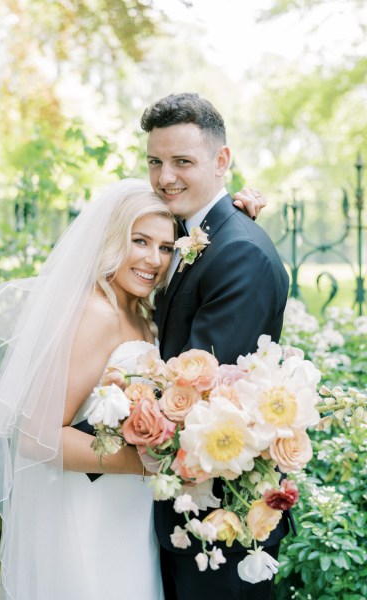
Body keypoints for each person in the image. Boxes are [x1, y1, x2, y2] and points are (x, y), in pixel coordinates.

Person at [0, 179, 176, 600]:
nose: (154, 259)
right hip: (91, 508)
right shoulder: (96, 313)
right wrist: (151, 463)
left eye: (167, 247)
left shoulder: (142, 315)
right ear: (113, 240)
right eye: (140, 241)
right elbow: (36, 436)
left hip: (130, 509)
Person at [140, 92, 291, 600]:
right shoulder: (197, 234)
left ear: (222, 160)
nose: (165, 177)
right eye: (155, 162)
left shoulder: (237, 253)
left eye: (183, 161)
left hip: (217, 519)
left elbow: (199, 393)